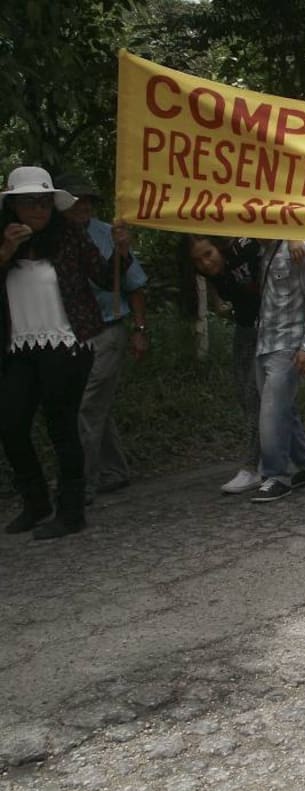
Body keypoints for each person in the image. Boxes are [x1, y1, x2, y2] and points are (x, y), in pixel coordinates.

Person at [0, 166, 134, 539]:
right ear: (13, 207)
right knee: (10, 424)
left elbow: (106, 277)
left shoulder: (70, 236)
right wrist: (6, 250)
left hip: (68, 343)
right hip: (18, 347)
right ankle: (36, 502)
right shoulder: (4, 241)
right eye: (29, 202)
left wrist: (122, 250)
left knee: (62, 426)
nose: (38, 209)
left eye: (44, 202)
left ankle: (71, 511)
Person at [54, 174, 150, 501]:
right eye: (76, 200)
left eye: (88, 201)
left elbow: (135, 285)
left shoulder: (109, 234)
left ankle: (80, 483)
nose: (83, 206)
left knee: (87, 405)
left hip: (108, 329)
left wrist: (139, 330)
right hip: (69, 334)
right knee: (96, 407)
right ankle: (114, 470)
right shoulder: (52, 237)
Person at [186, 235, 264, 493]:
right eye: (198, 260)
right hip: (244, 329)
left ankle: (252, 467)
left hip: (267, 329)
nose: (205, 263)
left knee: (254, 397)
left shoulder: (246, 249)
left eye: (208, 254)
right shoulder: (211, 273)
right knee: (245, 394)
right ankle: (296, 458)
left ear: (218, 247)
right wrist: (218, 302)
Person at [252, 238, 305, 503]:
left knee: (271, 412)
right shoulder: (264, 248)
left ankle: (277, 476)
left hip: (289, 344)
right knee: (282, 410)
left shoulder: (303, 246)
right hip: (265, 342)